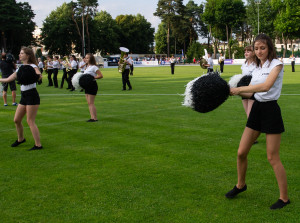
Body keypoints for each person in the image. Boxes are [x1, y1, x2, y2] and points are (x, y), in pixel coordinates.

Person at [228, 34, 290, 210]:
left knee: (272, 157)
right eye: (256, 48)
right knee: (241, 152)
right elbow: (252, 94)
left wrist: (240, 88)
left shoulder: (277, 65)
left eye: (262, 48)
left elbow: (265, 87)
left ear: (270, 48)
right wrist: (231, 92)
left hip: (271, 110)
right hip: (257, 109)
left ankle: (284, 198)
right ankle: (241, 185)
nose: (259, 51)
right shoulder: (255, 68)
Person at [0, 47, 43, 150]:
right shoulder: (20, 68)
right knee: (17, 120)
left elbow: (39, 75)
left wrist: (36, 77)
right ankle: (21, 139)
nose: (19, 55)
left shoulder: (32, 66)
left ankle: (38, 145)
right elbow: (10, 78)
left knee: (30, 121)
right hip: (24, 96)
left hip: (32, 95)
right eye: (20, 53)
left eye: (22, 53)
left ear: (27, 55)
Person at [80, 53, 103, 122]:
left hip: (92, 85)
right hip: (87, 85)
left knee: (91, 102)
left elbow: (100, 75)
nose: (86, 59)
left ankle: (95, 118)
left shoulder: (94, 67)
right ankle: (92, 117)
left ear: (91, 59)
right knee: (89, 103)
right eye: (85, 58)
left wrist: (92, 77)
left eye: (87, 58)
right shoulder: (87, 67)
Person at [241, 46, 256, 119]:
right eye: (245, 51)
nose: (246, 53)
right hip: (243, 89)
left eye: (248, 51)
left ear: (253, 53)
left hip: (252, 89)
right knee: (247, 113)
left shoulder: (257, 64)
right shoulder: (244, 64)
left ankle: (251, 129)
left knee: (250, 114)